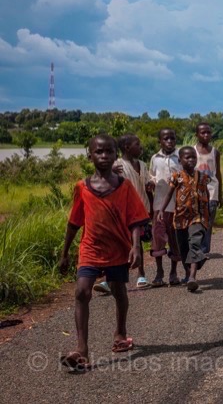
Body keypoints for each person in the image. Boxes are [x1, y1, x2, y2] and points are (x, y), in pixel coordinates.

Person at [58, 135, 149, 372]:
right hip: (90, 249)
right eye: (99, 152)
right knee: (81, 292)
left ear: (115, 155)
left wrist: (136, 247)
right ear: (90, 155)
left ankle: (120, 333)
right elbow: (74, 222)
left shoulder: (124, 186)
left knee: (119, 291)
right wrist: (65, 252)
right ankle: (82, 351)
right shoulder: (82, 187)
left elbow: (136, 220)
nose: (104, 156)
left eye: (109, 152)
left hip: (118, 249)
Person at [157, 147, 209, 292]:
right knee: (184, 249)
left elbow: (206, 197)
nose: (191, 160)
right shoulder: (176, 176)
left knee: (194, 243)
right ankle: (194, 266)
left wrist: (207, 216)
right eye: (187, 157)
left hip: (197, 217)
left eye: (193, 157)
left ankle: (192, 277)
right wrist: (161, 210)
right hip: (180, 218)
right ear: (180, 160)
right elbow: (168, 194)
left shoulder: (202, 177)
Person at [110, 134, 152, 290]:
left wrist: (151, 187)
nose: (140, 147)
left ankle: (141, 275)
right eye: (137, 144)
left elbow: (147, 182)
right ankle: (112, 277)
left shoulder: (142, 164)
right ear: (127, 147)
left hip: (142, 209)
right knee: (122, 244)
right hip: (124, 211)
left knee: (138, 243)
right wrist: (111, 170)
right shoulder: (117, 165)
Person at [148, 128, 182, 287]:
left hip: (177, 206)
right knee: (158, 239)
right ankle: (159, 271)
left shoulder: (180, 157)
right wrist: (152, 183)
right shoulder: (155, 159)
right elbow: (153, 176)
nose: (169, 142)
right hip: (159, 205)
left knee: (175, 240)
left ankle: (173, 272)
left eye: (172, 138)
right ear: (160, 141)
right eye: (166, 139)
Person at [195, 123, 223, 254]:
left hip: (212, 192)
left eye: (208, 132)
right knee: (197, 222)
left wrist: (220, 195)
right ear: (197, 135)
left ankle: (204, 250)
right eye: (203, 133)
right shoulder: (192, 151)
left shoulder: (214, 152)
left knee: (208, 223)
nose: (206, 135)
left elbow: (218, 174)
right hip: (196, 193)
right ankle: (196, 248)